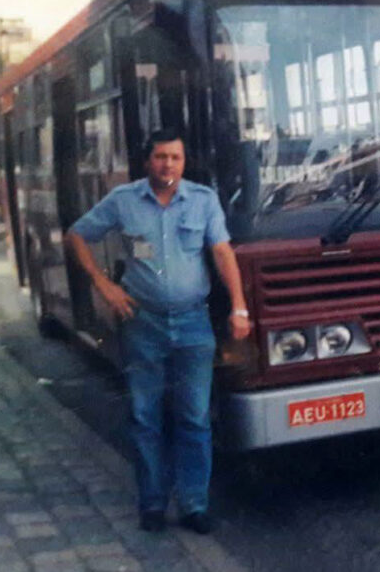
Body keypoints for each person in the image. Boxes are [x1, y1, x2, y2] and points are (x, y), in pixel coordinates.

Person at [65, 129, 251, 534]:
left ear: (184, 162)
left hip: (193, 322)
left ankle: (194, 505)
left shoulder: (203, 200)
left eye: (175, 158)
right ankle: (152, 504)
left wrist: (239, 306)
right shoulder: (124, 201)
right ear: (148, 161)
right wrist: (104, 284)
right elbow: (76, 235)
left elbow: (222, 252)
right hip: (142, 324)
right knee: (145, 416)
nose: (168, 164)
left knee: (195, 417)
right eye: (161, 157)